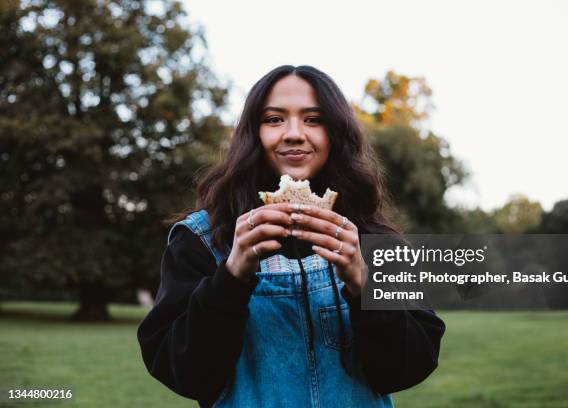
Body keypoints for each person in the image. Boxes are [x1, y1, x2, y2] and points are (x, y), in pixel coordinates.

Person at [137, 65, 445, 408]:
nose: (294, 133)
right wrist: (232, 276)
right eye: (274, 119)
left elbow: (408, 369)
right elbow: (184, 373)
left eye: (314, 119)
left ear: (336, 134)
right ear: (253, 133)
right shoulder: (201, 241)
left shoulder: (374, 241)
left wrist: (362, 283)